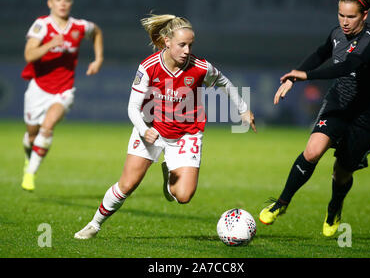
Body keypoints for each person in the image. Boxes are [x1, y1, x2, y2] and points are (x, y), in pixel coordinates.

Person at [74, 14, 256, 239]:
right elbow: (133, 107)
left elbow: (223, 82)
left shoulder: (200, 67)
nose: (187, 50)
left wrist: (243, 109)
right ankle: (95, 224)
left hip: (186, 135)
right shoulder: (149, 67)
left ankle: (168, 176)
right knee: (128, 184)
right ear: (167, 42)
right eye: (182, 45)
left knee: (184, 195)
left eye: (190, 45)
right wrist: (144, 130)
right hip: (151, 129)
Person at [259, 0, 370, 237]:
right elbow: (320, 53)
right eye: (341, 15)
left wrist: (306, 76)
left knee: (341, 173)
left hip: (366, 114)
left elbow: (349, 65)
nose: (344, 21)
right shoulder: (336, 34)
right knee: (312, 151)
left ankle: (334, 207)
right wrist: (293, 78)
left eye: (351, 17)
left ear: (364, 16)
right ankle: (281, 203)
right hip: (339, 102)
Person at [21, 0, 104, 191]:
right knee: (32, 136)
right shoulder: (42, 26)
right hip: (38, 88)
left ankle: (30, 174)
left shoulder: (78, 26)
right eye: (58, 0)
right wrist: (50, 44)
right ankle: (29, 156)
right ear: (50, 3)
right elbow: (29, 55)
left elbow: (96, 32)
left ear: (71, 3)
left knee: (47, 127)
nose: (62, 3)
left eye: (67, 0)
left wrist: (98, 59)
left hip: (64, 89)